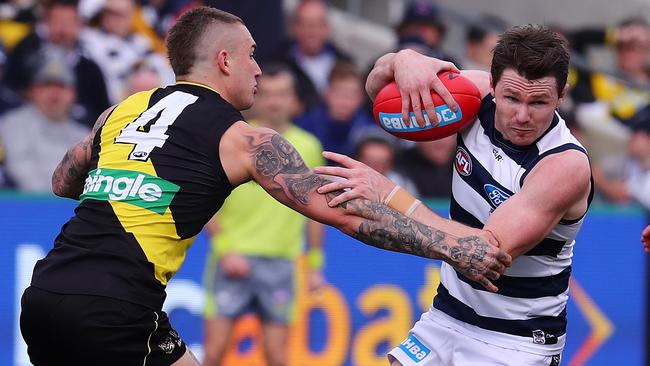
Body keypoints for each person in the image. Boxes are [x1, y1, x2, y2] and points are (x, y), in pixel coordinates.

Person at [19, 7, 511, 366]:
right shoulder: (245, 139)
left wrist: (125, 175)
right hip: (114, 310)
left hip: (44, 296)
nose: (259, 68)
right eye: (252, 56)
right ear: (226, 60)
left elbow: (64, 181)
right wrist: (451, 245)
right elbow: (346, 213)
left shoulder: (120, 110)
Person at [315, 25, 592, 365]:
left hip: (517, 339)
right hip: (446, 315)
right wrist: (403, 61)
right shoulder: (472, 95)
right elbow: (379, 94)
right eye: (511, 98)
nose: (522, 115)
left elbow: (485, 252)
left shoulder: (564, 165)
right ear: (491, 83)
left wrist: (388, 193)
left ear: (562, 95)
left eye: (539, 102)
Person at [202, 64, 325, 366]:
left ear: (294, 99)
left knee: (277, 357)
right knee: (214, 353)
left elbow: (315, 212)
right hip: (233, 258)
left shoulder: (309, 146)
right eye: (267, 93)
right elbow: (203, 202)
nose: (274, 101)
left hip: (281, 263)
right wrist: (224, 250)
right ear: (256, 97)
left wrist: (314, 266)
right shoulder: (233, 139)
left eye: (282, 94)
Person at [0, 53, 88, 193]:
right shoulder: (11, 125)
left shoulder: (84, 134)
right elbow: (21, 170)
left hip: (72, 208)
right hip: (27, 207)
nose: (54, 93)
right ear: (32, 91)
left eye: (61, 86)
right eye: (46, 85)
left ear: (73, 94)